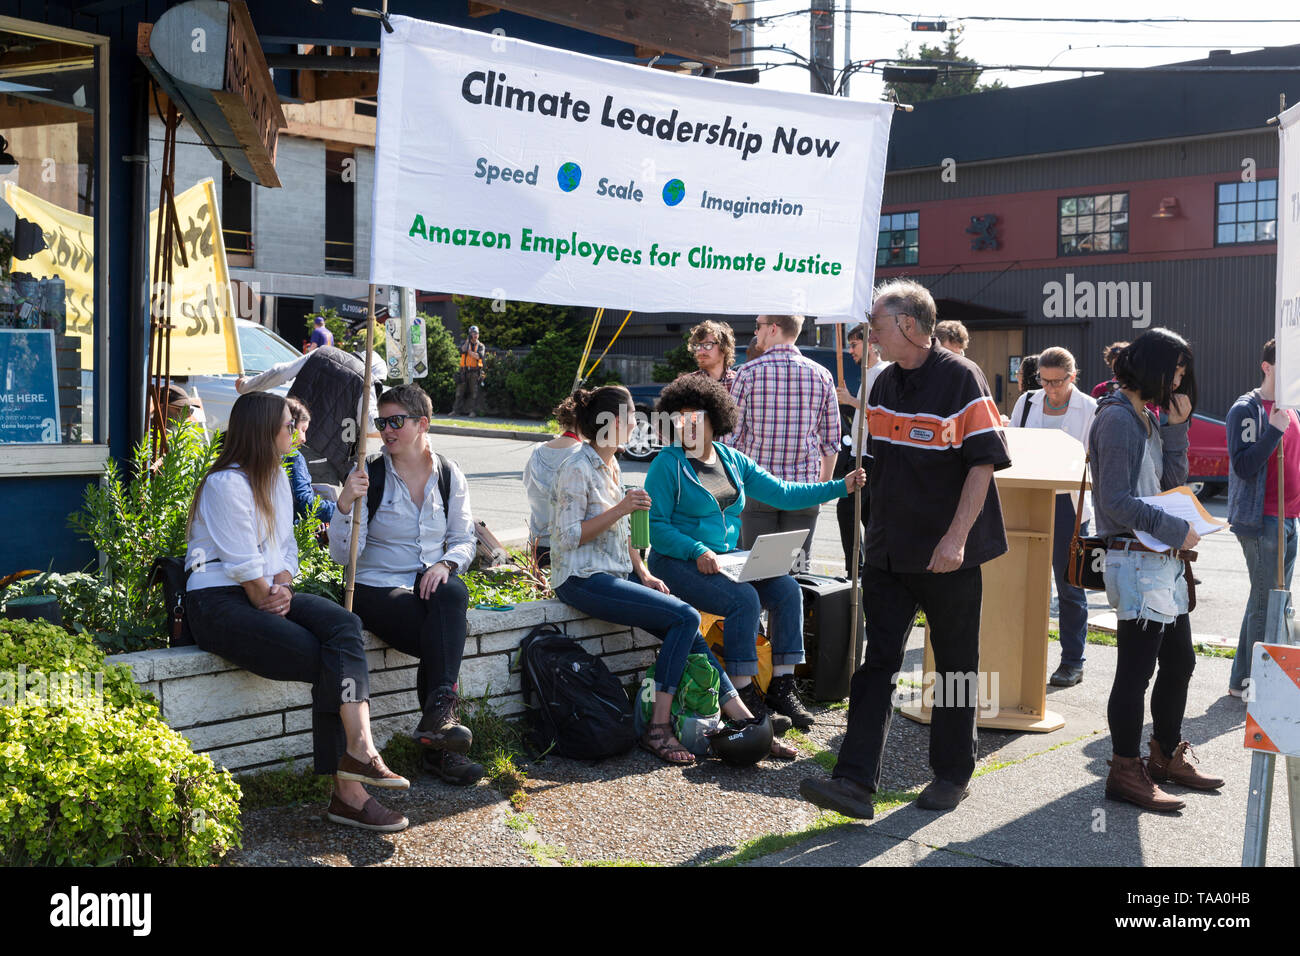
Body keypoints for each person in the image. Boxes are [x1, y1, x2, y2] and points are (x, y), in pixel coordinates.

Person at [799, 279, 1012, 820]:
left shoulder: (962, 379)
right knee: (876, 664)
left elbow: (983, 464)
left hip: (948, 554)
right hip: (890, 551)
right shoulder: (879, 383)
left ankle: (952, 775)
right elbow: (875, 461)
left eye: (875, 325)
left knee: (957, 666)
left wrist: (957, 537)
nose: (868, 334)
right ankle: (852, 782)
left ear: (909, 327)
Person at [185, 391, 409, 832]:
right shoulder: (226, 482)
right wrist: (266, 592)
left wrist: (284, 585)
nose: (295, 432)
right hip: (218, 601)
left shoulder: (274, 478)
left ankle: (360, 749)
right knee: (325, 657)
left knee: (344, 624)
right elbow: (243, 565)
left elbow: (287, 549)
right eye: (289, 425)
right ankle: (348, 793)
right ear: (264, 430)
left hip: (269, 589)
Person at [548, 384, 795, 762]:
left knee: (689, 631)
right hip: (581, 579)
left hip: (615, 574)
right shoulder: (577, 467)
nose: (637, 424)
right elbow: (565, 539)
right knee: (685, 616)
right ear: (613, 422)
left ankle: (745, 722)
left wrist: (643, 571)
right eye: (632, 418)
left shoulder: (611, 463)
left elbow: (625, 534)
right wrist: (621, 508)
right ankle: (658, 728)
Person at [645, 376, 866, 735]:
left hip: (725, 560)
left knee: (786, 590)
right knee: (744, 599)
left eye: (695, 417)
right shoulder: (666, 464)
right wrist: (696, 548)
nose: (687, 425)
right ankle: (744, 693)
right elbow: (656, 527)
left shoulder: (732, 460)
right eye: (680, 418)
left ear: (716, 418)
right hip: (676, 562)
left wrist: (841, 486)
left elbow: (785, 493)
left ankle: (781, 687)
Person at [1088, 329, 1223, 811]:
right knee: (1135, 672)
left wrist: (1177, 429)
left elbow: (1169, 485)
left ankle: (1165, 755)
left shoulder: (1143, 417)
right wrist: (1173, 529)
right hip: (1138, 559)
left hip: (1158, 561)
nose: (1180, 381)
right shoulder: (1120, 418)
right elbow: (1116, 501)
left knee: (1180, 662)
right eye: (1176, 372)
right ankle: (1126, 770)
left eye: (1184, 373)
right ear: (1152, 368)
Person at [330, 383, 485, 786]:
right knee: (443, 636)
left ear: (422, 424)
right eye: (382, 422)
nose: (387, 430)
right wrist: (345, 506)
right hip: (374, 586)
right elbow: (344, 557)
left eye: (396, 421)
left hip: (425, 586)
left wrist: (446, 564)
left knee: (453, 590)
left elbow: (465, 538)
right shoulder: (369, 475)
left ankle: (437, 722)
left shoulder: (450, 474)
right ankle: (440, 734)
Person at [1009, 348, 1097, 687]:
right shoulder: (1028, 402)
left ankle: (1073, 661)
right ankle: (1020, 655)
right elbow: (1012, 446)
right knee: (1025, 584)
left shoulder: (1090, 408)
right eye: (1044, 381)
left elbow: (1093, 460)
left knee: (1070, 587)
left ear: (1073, 377)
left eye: (1057, 382)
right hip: (1028, 498)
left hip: (1069, 506)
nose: (1050, 389)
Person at [729, 314, 840, 556]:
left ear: (773, 329)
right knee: (796, 570)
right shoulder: (822, 375)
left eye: (758, 326)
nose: (755, 332)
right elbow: (831, 442)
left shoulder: (747, 373)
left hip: (758, 487)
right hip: (804, 489)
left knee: (756, 570)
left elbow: (731, 439)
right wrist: (822, 487)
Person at [1226, 338, 1298, 698]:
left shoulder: (1293, 407)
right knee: (1264, 601)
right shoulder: (1247, 409)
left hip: (1288, 518)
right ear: (1267, 367)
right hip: (1262, 519)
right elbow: (1243, 465)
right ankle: (1253, 682)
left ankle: (1244, 679)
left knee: (1272, 600)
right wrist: (1273, 430)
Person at [236, 344, 387, 486]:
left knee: (280, 491)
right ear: (375, 374)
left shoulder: (322, 353)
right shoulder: (366, 380)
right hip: (325, 460)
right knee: (312, 507)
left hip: (287, 442)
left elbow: (281, 372)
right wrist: (393, 422)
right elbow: (369, 424)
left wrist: (246, 386)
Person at [835, 325, 891, 576]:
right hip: (860, 454)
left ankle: (857, 569)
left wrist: (850, 400)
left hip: (871, 457)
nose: (850, 351)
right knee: (865, 514)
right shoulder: (870, 373)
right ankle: (866, 569)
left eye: (854, 345)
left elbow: (881, 412)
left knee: (850, 509)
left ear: (869, 344)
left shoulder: (883, 372)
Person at [522, 395, 584, 568]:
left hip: (538, 540)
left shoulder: (537, 451)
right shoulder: (581, 455)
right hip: (569, 542)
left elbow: (528, 485)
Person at [284, 397, 336, 524]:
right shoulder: (294, 457)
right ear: (290, 426)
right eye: (303, 430)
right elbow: (305, 503)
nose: (304, 439)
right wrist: (340, 509)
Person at [686, 319, 739, 391]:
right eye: (697, 346)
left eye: (708, 345)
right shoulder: (688, 384)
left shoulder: (739, 382)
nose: (701, 351)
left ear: (724, 348)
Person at [452, 325, 487, 416]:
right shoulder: (465, 343)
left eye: (476, 333)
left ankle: (473, 412)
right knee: (459, 392)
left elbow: (478, 356)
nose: (475, 335)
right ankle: (456, 411)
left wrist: (470, 352)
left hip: (475, 372)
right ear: (469, 334)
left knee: (474, 393)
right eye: (473, 333)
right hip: (464, 371)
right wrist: (467, 342)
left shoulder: (481, 346)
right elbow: (462, 350)